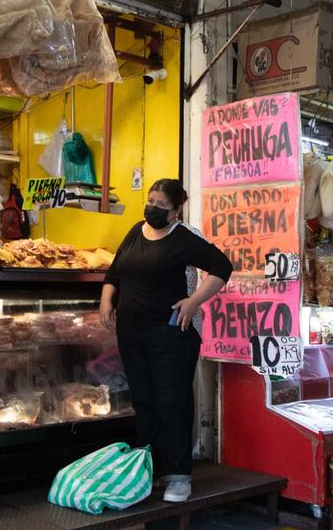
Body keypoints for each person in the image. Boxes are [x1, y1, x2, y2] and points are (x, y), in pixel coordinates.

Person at [100, 179, 233, 503]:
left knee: (171, 403)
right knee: (144, 403)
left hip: (171, 335)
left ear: (176, 210)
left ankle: (178, 477)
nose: (153, 209)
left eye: (162, 205)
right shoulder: (135, 232)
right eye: (151, 201)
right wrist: (106, 300)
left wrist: (193, 301)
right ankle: (146, 470)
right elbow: (114, 273)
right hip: (132, 334)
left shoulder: (184, 238)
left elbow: (222, 267)